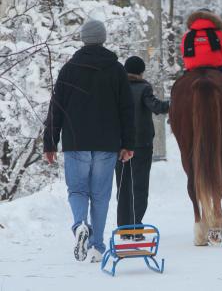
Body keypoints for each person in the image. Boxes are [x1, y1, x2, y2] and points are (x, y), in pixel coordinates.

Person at [43, 19, 135, 262]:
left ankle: (79, 226)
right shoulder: (116, 70)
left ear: (83, 38)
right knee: (101, 195)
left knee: (77, 190)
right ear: (103, 38)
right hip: (107, 143)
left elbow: (57, 108)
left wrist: (50, 142)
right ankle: (96, 246)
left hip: (76, 141)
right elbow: (127, 108)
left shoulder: (69, 69)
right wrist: (128, 143)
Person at [115, 56, 169, 240]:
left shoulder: (117, 89)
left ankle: (123, 229)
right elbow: (156, 107)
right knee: (139, 186)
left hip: (119, 146)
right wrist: (172, 103)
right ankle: (136, 228)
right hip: (141, 145)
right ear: (141, 72)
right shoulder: (144, 88)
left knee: (122, 186)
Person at [180, 9, 222, 76]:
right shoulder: (219, 34)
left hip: (192, 68)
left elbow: (184, 53)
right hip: (215, 66)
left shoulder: (187, 36)